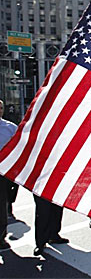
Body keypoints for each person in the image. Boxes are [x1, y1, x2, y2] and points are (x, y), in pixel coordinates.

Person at [0, 100, 17, 249]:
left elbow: (18, 148)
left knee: (2, 206)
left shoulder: (10, 128)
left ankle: (1, 237)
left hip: (3, 172)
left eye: (0, 107)